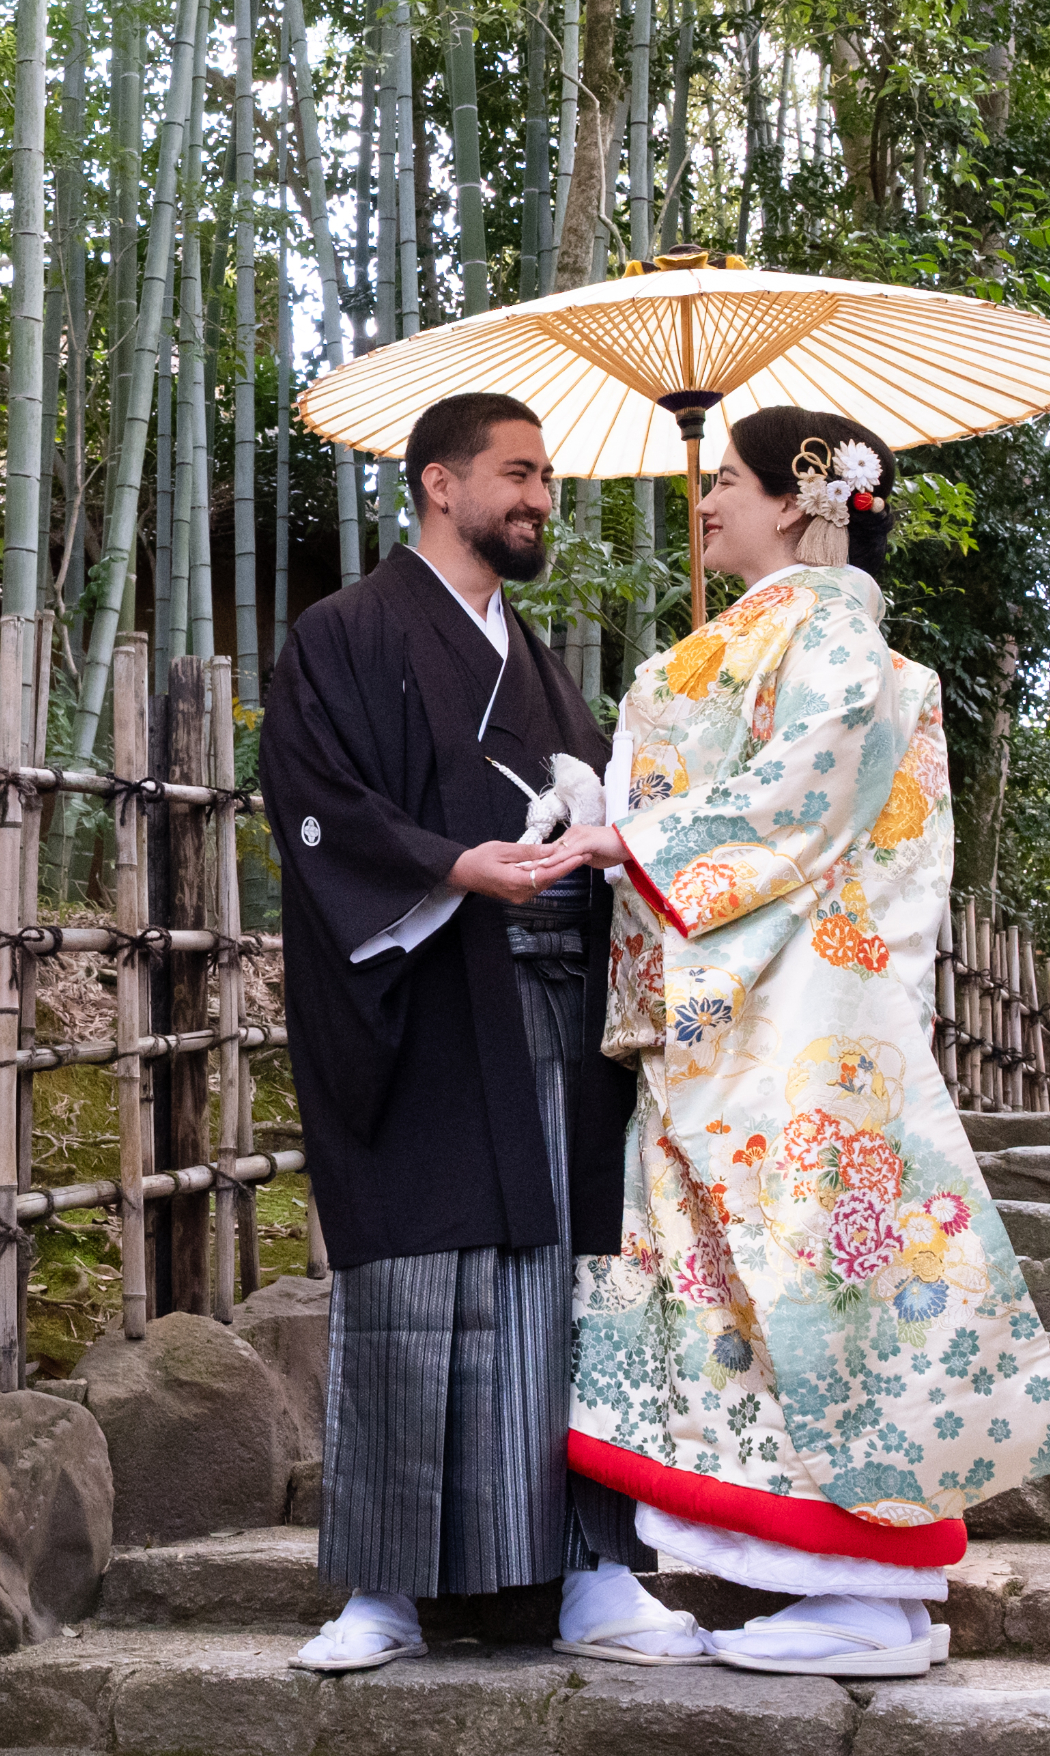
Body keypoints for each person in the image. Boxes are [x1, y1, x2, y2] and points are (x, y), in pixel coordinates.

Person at [540, 406, 1050, 1677]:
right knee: (753, 1281)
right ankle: (836, 1585)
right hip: (754, 1000)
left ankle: (871, 1591)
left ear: (799, 498)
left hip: (797, 1010)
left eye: (724, 478)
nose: (706, 499)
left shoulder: (834, 633)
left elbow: (803, 792)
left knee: (816, 1281)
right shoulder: (773, 632)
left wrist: (636, 835)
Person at [258, 391, 712, 1674]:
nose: (537, 500)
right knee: (420, 1284)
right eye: (516, 475)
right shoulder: (343, 635)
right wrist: (452, 865)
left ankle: (594, 1575)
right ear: (437, 484)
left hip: (557, 1008)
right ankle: (386, 1591)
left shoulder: (543, 660)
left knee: (573, 1288)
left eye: (546, 479)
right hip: (426, 998)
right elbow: (310, 800)